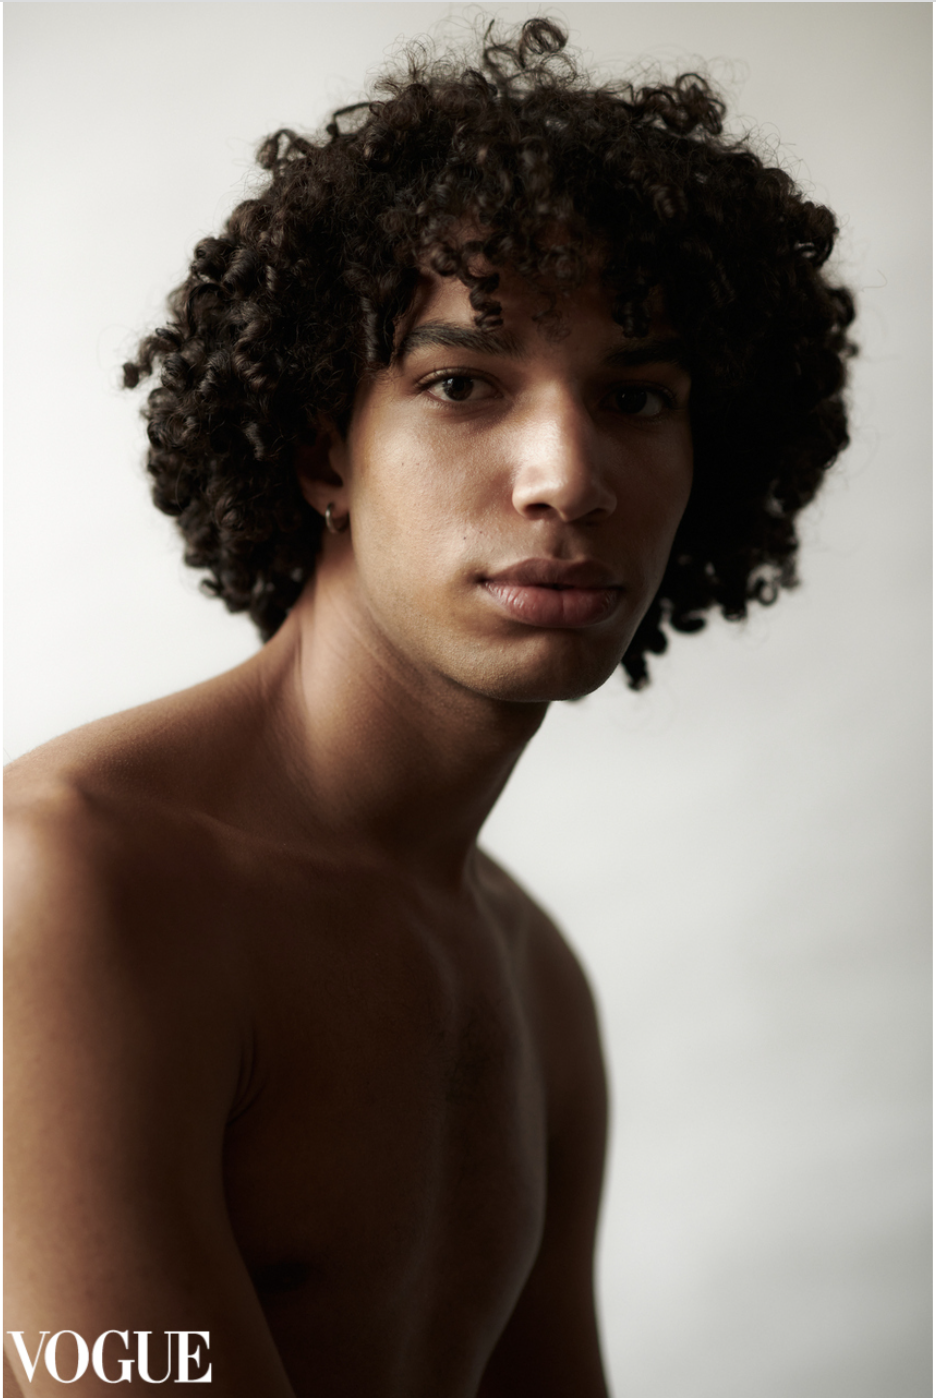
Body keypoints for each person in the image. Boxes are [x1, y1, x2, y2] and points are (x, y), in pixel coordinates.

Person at [4, 18, 854, 1397]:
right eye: (463, 383)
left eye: (637, 395)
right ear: (318, 445)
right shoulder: (70, 884)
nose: (567, 476)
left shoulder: (533, 975)